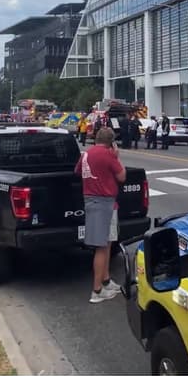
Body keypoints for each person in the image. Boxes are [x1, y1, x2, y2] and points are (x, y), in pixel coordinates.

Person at [74, 127, 126, 303]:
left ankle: (106, 280)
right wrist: (116, 157)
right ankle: (97, 291)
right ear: (111, 143)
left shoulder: (86, 154)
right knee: (101, 247)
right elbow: (122, 176)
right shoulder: (108, 155)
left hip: (95, 201)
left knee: (107, 243)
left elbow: (78, 171)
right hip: (104, 203)